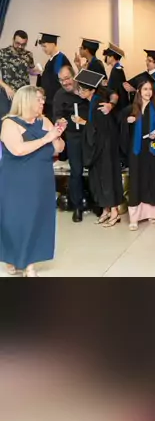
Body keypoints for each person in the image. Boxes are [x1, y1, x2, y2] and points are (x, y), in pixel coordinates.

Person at [0, 85, 66, 276]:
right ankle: (12, 257)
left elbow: (58, 149)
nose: (43, 102)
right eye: (38, 99)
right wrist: (46, 138)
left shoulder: (44, 121)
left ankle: (29, 263)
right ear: (26, 101)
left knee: (37, 219)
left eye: (43, 99)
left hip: (41, 179)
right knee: (15, 219)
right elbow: (18, 150)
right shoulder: (9, 123)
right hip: (16, 180)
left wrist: (57, 135)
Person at [73, 69, 124, 228]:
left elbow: (100, 129)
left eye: (83, 89)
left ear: (92, 90)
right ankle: (106, 210)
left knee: (107, 178)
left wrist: (82, 122)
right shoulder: (93, 102)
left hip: (105, 148)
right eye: (80, 89)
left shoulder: (99, 104)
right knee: (99, 178)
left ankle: (114, 212)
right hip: (101, 147)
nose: (80, 92)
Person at [120, 78, 155, 231]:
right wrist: (127, 122)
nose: (148, 92)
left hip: (152, 150)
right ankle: (134, 217)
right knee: (137, 181)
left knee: (151, 180)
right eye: (145, 89)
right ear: (138, 91)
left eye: (150, 89)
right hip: (136, 151)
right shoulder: (130, 109)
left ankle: (151, 213)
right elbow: (119, 126)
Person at [52, 65, 90, 223]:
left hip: (91, 134)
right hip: (73, 136)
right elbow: (56, 116)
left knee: (96, 168)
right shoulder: (59, 95)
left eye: (67, 78)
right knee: (76, 170)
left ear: (74, 76)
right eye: (61, 80)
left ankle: (100, 203)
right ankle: (77, 207)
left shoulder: (85, 87)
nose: (65, 82)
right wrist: (59, 121)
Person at [0, 30, 37, 119]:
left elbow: (31, 71)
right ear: (13, 40)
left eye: (23, 44)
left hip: (23, 94)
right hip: (7, 93)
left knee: (21, 119)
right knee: (5, 118)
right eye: (17, 43)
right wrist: (6, 87)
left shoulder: (28, 55)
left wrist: (36, 71)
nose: (20, 46)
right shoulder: (2, 53)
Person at [35, 33, 72, 121]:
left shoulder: (60, 59)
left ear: (53, 44)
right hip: (49, 100)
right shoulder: (51, 60)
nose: (43, 49)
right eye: (42, 47)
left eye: (45, 46)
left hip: (55, 101)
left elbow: (59, 80)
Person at [126, 49, 155, 114]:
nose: (147, 63)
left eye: (150, 61)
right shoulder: (144, 75)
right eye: (147, 60)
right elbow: (129, 85)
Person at [103, 43, 129, 113]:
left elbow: (113, 89)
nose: (105, 58)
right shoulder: (117, 68)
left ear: (112, 57)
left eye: (107, 56)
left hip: (119, 107)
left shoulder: (116, 70)